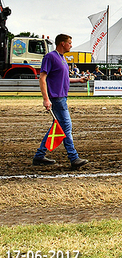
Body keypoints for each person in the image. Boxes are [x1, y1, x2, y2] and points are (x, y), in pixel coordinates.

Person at [33, 34, 89, 169]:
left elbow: (64, 79)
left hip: (62, 97)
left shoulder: (63, 59)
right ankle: (73, 157)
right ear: (62, 43)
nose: (71, 45)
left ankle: (39, 155)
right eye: (69, 43)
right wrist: (46, 99)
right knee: (66, 126)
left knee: (57, 127)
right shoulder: (50, 57)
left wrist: (79, 80)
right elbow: (42, 78)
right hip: (56, 98)